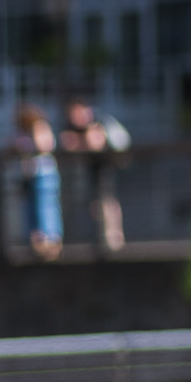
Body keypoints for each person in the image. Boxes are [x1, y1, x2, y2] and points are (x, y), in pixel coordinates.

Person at [58, 98, 130, 251]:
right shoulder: (76, 126)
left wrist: (79, 141)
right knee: (97, 205)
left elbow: (94, 143)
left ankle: (113, 241)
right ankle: (103, 240)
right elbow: (67, 143)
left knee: (106, 203)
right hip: (90, 171)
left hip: (105, 169)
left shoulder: (96, 120)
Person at [12, 102, 63, 262]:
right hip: (29, 175)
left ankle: (50, 243)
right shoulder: (21, 131)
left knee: (45, 208)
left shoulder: (39, 126)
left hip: (44, 174)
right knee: (31, 209)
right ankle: (37, 243)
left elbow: (44, 146)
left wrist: (30, 139)